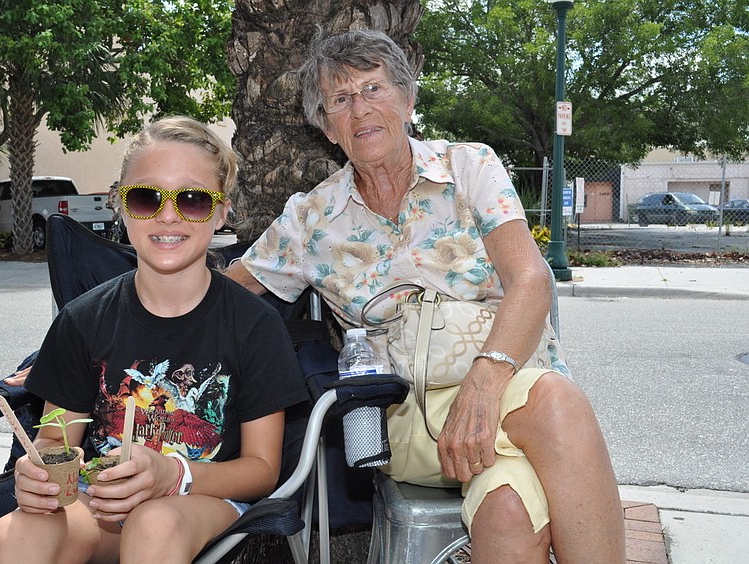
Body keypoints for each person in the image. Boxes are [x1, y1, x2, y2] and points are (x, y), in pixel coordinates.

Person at [225, 29, 625, 561]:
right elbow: (222, 294)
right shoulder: (311, 218)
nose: (361, 108)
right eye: (340, 99)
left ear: (409, 99)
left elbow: (531, 279)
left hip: (506, 381)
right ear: (325, 126)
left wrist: (484, 381)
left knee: (507, 508)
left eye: (374, 89)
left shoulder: (470, 167)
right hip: (407, 412)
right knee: (559, 403)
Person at [0, 115, 309, 564]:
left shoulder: (254, 325)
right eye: (145, 197)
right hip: (96, 505)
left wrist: (173, 474)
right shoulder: (82, 320)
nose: (169, 215)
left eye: (193, 200)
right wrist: (38, 471)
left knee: (154, 523)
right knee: (17, 533)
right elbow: (56, 439)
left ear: (221, 212)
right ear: (119, 205)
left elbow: (260, 470)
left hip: (199, 502)